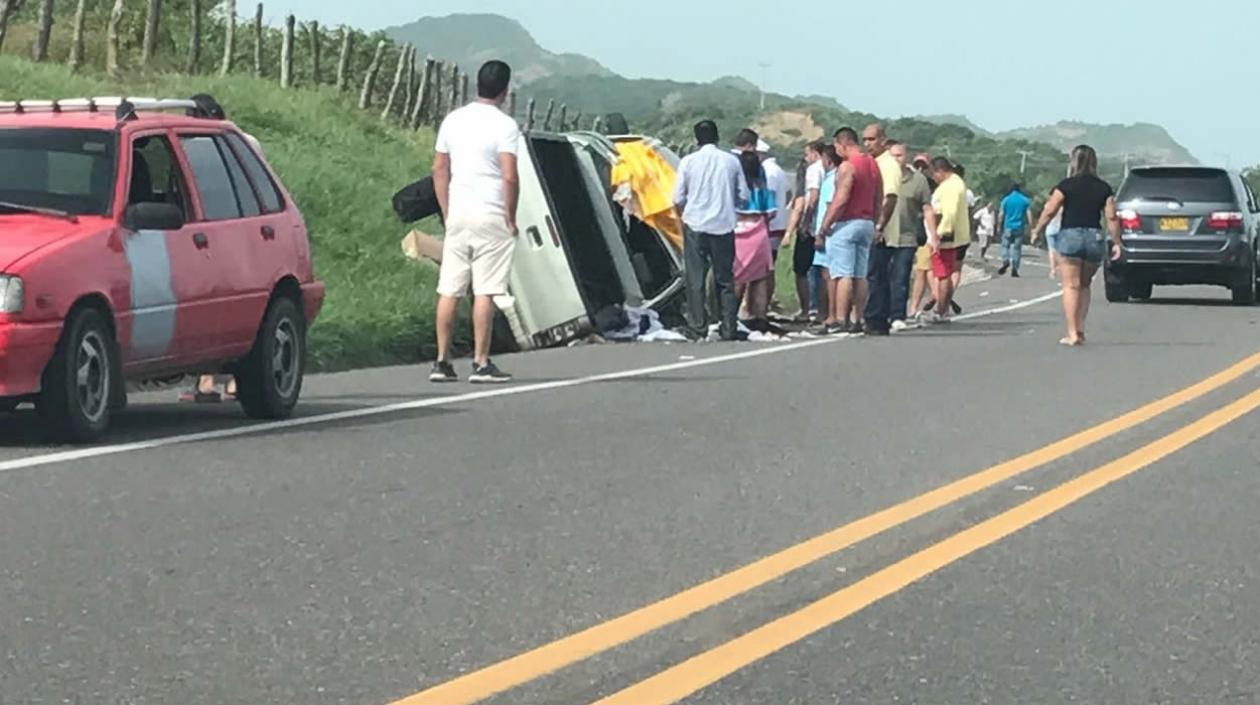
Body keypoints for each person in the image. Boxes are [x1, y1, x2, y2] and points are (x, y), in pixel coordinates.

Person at [430, 60, 520, 384]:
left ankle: (441, 361)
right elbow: (509, 176)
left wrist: (446, 210)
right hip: (491, 213)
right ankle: (481, 362)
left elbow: (439, 169)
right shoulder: (505, 126)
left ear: (477, 85)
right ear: (505, 90)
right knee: (485, 290)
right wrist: (510, 216)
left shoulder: (453, 120)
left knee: (449, 289)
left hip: (458, 214)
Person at [178, 94, 260, 403]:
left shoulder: (196, 144)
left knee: (211, 303)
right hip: (243, 229)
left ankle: (208, 381)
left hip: (209, 229)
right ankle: (234, 381)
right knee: (236, 306)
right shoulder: (241, 140)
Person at [1031, 144, 1121, 346]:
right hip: (1093, 237)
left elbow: (1050, 210)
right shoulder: (1104, 187)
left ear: (1073, 161)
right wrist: (1116, 242)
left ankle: (1071, 333)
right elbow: (1112, 217)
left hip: (1070, 236)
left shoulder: (1066, 185)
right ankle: (1080, 330)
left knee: (1071, 286)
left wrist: (1037, 230)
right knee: (1085, 285)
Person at [673, 119, 748, 341]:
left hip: (695, 224)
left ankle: (698, 327)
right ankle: (728, 327)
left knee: (695, 278)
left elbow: (677, 197)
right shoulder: (731, 161)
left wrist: (684, 213)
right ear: (717, 137)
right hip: (723, 225)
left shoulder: (688, 162)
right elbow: (743, 196)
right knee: (725, 279)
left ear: (696, 140)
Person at [817, 127, 881, 335]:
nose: (836, 151)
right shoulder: (872, 163)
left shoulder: (848, 166)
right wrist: (876, 221)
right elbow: (879, 197)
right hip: (866, 222)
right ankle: (858, 317)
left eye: (837, 147)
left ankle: (840, 319)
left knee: (842, 273)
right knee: (860, 273)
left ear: (842, 143)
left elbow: (841, 199)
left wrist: (825, 226)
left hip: (847, 223)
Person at [869, 141, 936, 333]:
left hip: (906, 236)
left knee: (900, 277)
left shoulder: (918, 180)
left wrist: (933, 236)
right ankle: (879, 314)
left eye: (900, 155)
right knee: (879, 277)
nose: (896, 159)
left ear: (905, 156)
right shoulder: (879, 175)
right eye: (893, 156)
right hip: (882, 235)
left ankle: (898, 315)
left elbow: (927, 207)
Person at [860, 128, 903, 335]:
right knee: (878, 275)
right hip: (874, 225)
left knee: (876, 275)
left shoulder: (889, 165)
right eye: (865, 140)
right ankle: (878, 317)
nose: (868, 144)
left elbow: (891, 197)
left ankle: (875, 318)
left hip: (883, 230)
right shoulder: (873, 163)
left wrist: (879, 225)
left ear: (882, 140)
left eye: (872, 139)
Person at [734, 151, 776, 331]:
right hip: (758, 231)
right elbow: (772, 212)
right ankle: (760, 316)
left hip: (738, 232)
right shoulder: (762, 188)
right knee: (760, 278)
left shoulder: (735, 188)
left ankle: (731, 315)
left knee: (737, 277)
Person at [926, 157, 971, 323]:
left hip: (946, 236)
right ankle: (942, 310)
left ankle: (940, 310)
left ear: (940, 171)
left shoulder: (950, 187)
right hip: (953, 235)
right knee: (945, 273)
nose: (933, 178)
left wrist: (939, 234)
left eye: (934, 174)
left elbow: (949, 213)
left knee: (943, 274)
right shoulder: (956, 184)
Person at [759, 139, 791, 310]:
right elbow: (788, 193)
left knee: (765, 268)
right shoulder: (778, 170)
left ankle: (763, 303)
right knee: (770, 265)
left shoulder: (767, 172)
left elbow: (767, 198)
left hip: (769, 225)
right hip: (778, 223)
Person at [998, 183, 1034, 277]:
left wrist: (998, 226)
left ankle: (1005, 260)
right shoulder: (1025, 200)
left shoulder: (1006, 199)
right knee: (1017, 249)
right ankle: (1015, 267)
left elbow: (1001, 214)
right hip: (1019, 227)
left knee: (1005, 246)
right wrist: (1031, 227)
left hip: (1008, 227)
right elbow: (1029, 214)